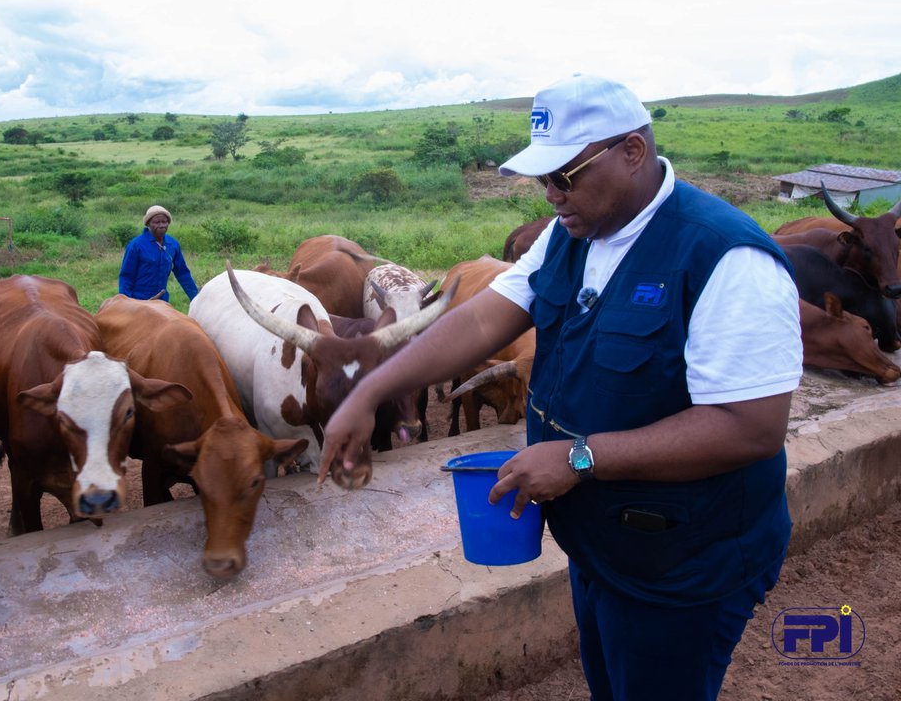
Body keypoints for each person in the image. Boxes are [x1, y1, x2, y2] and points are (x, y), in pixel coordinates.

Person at [318, 73, 802, 701]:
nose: (550, 195)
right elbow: (484, 317)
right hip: (603, 543)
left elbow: (752, 426)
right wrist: (367, 392)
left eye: (564, 177)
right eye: (542, 179)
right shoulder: (572, 233)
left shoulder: (726, 260)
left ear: (632, 152)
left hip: (685, 563)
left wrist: (581, 458)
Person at [118, 204, 200, 303]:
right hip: (138, 300)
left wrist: (196, 298)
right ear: (148, 224)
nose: (161, 225)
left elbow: (183, 274)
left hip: (162, 300)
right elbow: (126, 277)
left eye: (164, 222)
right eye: (156, 222)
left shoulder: (172, 244)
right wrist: (126, 303)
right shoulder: (136, 245)